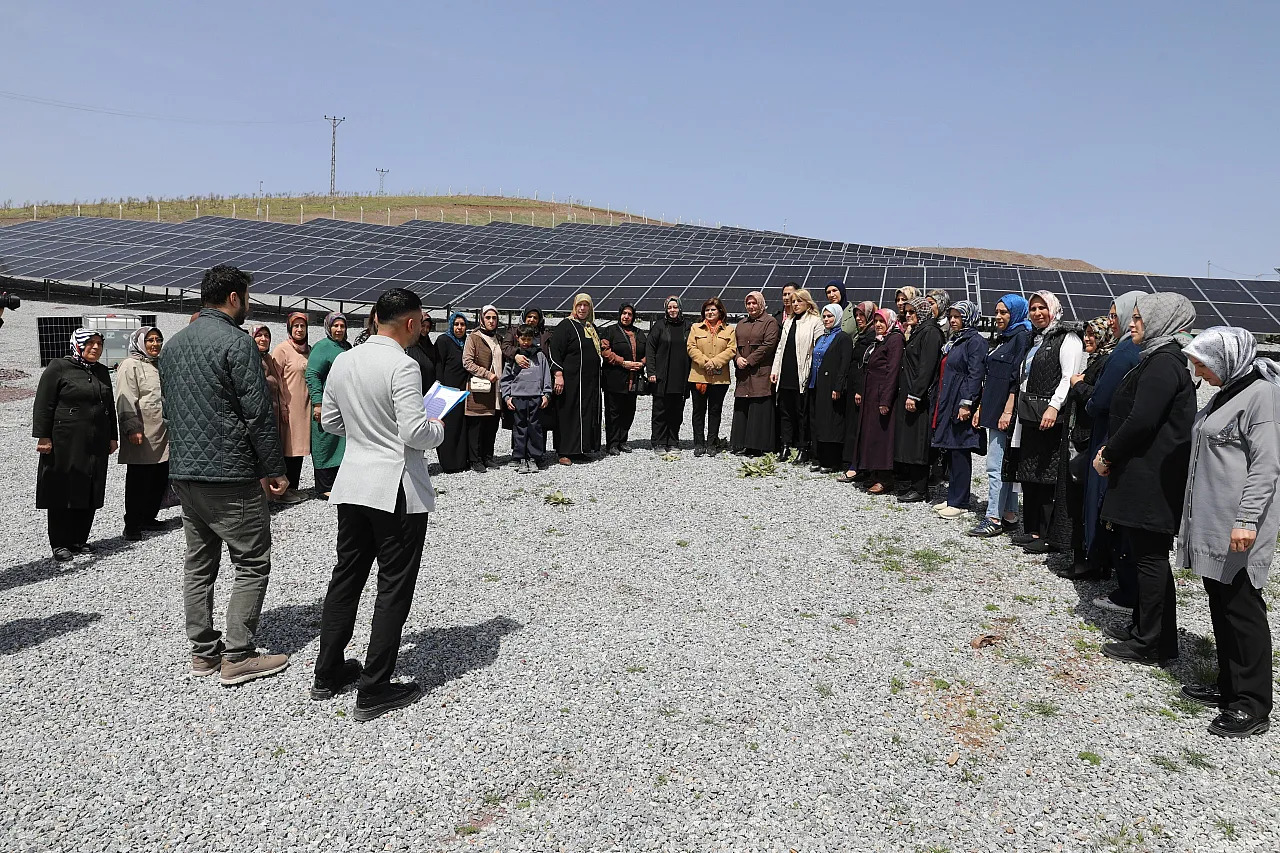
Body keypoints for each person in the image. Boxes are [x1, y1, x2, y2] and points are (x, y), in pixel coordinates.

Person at [316, 288, 446, 722]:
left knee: (346, 576)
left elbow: (331, 420)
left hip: (352, 483)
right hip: (395, 486)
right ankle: (375, 687)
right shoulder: (403, 366)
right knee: (394, 584)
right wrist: (438, 428)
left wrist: (364, 431)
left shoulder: (344, 360)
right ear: (410, 323)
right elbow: (414, 432)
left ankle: (328, 670)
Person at [159, 265, 290, 685]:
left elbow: (170, 409)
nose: (248, 304)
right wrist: (274, 469)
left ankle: (203, 653)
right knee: (252, 561)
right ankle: (238, 655)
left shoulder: (174, 345)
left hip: (184, 473)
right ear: (235, 298)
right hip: (229, 473)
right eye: (247, 296)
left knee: (199, 564)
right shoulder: (237, 343)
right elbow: (258, 413)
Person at [1178, 327, 1279, 737]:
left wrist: (1247, 520)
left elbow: (1266, 465)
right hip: (1213, 521)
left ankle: (1253, 704)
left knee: (1242, 608)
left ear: (1225, 359)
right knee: (1220, 602)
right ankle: (1229, 686)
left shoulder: (1262, 396)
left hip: (1238, 525)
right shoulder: (1229, 391)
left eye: (1202, 364)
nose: (1198, 373)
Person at [1094, 292, 1196, 668]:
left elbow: (1141, 420)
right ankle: (1154, 634)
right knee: (1145, 556)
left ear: (1159, 321)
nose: (1132, 323)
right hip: (1145, 473)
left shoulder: (1163, 363)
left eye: (1139, 317)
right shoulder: (1155, 359)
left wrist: (1108, 454)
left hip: (1151, 477)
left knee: (1150, 559)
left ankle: (1149, 642)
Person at [1008, 292, 1084, 554]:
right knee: (1031, 472)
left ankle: (1050, 534)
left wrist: (1054, 406)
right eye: (1033, 308)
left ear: (1054, 309)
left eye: (1042, 308)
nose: (1037, 312)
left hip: (1052, 417)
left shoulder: (1068, 338)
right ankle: (1033, 529)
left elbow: (1068, 377)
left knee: (1049, 473)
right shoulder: (1035, 339)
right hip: (1030, 415)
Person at [33, 329, 118, 561]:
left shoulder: (101, 371)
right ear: (78, 345)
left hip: (96, 441)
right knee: (63, 486)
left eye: (99, 344)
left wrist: (113, 435)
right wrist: (43, 436)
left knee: (90, 486)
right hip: (65, 441)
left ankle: (79, 539)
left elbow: (108, 405)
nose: (95, 348)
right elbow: (44, 404)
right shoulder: (59, 367)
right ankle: (60, 542)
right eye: (90, 343)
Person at [1085, 292, 1145, 612]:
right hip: (1116, 432)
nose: (1111, 321)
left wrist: (1088, 397)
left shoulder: (1124, 350)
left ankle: (1105, 569)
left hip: (1109, 433)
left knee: (1103, 500)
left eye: (1114, 315)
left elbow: (1102, 397)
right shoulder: (1137, 348)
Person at [968, 295, 1031, 537]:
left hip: (1005, 413)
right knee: (1005, 464)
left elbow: (1017, 380)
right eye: (996, 312)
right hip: (993, 409)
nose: (998, 317)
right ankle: (1010, 514)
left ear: (1015, 313)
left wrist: (1007, 411)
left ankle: (992, 517)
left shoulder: (1021, 338)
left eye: (1004, 312)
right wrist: (982, 407)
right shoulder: (1003, 338)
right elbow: (991, 376)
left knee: (996, 466)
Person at [1058, 317, 1116, 578]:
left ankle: (1091, 561)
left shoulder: (1106, 363)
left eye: (1094, 334)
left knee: (1086, 499)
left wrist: (1077, 384)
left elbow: (1098, 399)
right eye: (1086, 334)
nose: (1088, 339)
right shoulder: (1097, 360)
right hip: (1082, 436)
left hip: (1089, 438)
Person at [931, 301, 987, 518]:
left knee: (961, 450)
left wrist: (967, 403)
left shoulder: (975, 341)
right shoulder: (955, 340)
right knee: (952, 450)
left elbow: (976, 374)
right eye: (951, 316)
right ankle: (954, 495)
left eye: (958, 317)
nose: (953, 320)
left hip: (960, 401)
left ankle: (960, 501)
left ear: (968, 318)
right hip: (949, 399)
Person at [116, 326, 170, 539]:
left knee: (158, 475)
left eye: (158, 339)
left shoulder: (158, 364)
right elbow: (125, 398)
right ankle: (132, 524)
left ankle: (149, 517)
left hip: (161, 430)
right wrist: (132, 428)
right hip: (142, 430)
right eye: (150, 340)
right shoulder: (131, 365)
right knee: (139, 477)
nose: (155, 344)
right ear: (139, 342)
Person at [892, 297, 945, 501]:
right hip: (910, 394)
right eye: (906, 312)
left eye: (912, 312)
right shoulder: (919, 331)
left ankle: (921, 488)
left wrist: (915, 394)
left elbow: (926, 367)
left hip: (920, 398)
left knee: (918, 442)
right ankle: (914, 484)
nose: (908, 315)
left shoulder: (930, 333)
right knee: (911, 440)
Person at [852, 309, 905, 493]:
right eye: (875, 321)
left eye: (881, 321)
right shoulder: (880, 339)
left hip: (882, 394)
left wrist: (886, 400)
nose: (878, 325)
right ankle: (874, 472)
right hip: (871, 393)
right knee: (871, 434)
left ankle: (885, 478)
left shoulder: (895, 339)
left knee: (883, 436)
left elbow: (893, 370)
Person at [551, 293, 604, 464]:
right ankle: (565, 451)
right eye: (579, 305)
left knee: (586, 413)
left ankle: (581, 448)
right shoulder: (565, 326)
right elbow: (555, 352)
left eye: (586, 305)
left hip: (589, 382)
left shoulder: (591, 327)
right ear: (574, 306)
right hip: (571, 381)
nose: (582, 308)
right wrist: (558, 375)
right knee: (569, 414)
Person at [770, 288, 822, 462]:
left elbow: (818, 349)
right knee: (785, 411)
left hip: (802, 373)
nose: (795, 304)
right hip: (786, 373)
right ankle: (785, 446)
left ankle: (803, 447)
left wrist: (811, 374)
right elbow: (780, 348)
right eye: (793, 302)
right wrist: (775, 369)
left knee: (802, 413)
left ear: (807, 303)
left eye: (799, 301)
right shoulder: (788, 321)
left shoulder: (815, 321)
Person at [307, 312, 351, 498]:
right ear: (328, 327)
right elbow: (312, 374)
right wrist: (318, 403)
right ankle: (324, 486)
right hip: (327, 402)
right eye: (335, 326)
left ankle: (339, 483)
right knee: (324, 441)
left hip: (344, 403)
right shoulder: (322, 347)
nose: (339, 329)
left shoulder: (346, 347)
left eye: (342, 326)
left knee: (341, 442)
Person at [686, 297, 737, 457]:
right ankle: (699, 443)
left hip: (720, 378)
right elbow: (691, 347)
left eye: (713, 309)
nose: (709, 312)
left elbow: (731, 349)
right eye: (707, 310)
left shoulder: (729, 330)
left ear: (720, 311)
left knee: (715, 411)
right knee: (698, 411)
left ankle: (711, 443)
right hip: (699, 376)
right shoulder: (696, 328)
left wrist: (714, 363)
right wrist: (704, 362)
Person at [730, 291, 779, 456]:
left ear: (761, 304)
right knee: (743, 407)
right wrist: (737, 358)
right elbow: (734, 345)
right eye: (748, 304)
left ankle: (756, 446)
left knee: (759, 408)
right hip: (743, 373)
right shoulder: (741, 323)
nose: (751, 306)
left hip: (760, 372)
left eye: (754, 303)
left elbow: (768, 345)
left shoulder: (770, 322)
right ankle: (741, 443)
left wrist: (749, 360)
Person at [807, 303, 853, 471]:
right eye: (824, 316)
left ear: (838, 317)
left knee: (832, 422)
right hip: (817, 385)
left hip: (832, 387)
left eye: (830, 316)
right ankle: (819, 457)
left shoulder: (843, 338)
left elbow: (844, 364)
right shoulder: (821, 338)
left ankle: (832, 461)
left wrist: (838, 386)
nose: (826, 319)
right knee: (819, 421)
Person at [502, 323, 554, 473]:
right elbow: (506, 379)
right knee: (520, 428)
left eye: (529, 339)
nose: (526, 342)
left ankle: (534, 457)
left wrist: (546, 394)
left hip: (535, 397)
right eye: (523, 338)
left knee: (535, 428)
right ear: (517, 338)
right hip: (518, 398)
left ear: (533, 339)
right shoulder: (514, 358)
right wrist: (507, 397)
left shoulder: (539, 356)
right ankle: (520, 457)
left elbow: (546, 376)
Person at [271, 312, 311, 497]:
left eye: (302, 326)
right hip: (289, 406)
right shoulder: (282, 350)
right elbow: (275, 380)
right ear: (289, 328)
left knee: (299, 448)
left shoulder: (309, 350)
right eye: (296, 326)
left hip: (304, 407)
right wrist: (283, 405)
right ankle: (283, 490)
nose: (299, 329)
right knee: (288, 447)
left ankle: (293, 488)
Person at [839, 301, 879, 483]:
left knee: (859, 428)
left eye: (862, 315)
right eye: (856, 315)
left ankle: (858, 467)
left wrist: (860, 390)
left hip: (861, 389)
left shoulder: (872, 337)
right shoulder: (862, 335)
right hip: (854, 387)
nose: (858, 318)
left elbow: (869, 366)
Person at [646, 295, 692, 454]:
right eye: (669, 308)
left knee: (676, 412)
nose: (672, 310)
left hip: (681, 376)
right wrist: (651, 371)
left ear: (680, 308)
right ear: (666, 309)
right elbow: (650, 350)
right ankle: (658, 442)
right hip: (662, 376)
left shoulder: (688, 326)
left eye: (675, 307)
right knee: (660, 411)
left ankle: (673, 441)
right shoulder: (659, 326)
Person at [600, 303, 647, 455]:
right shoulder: (610, 331)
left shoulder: (639, 333)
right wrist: (623, 362)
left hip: (633, 380)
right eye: (624, 313)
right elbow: (605, 352)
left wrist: (642, 363)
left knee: (629, 411)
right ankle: (612, 443)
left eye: (630, 314)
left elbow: (649, 352)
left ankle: (622, 440)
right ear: (620, 314)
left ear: (633, 317)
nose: (626, 317)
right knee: (613, 412)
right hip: (614, 379)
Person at [463, 305, 504, 473]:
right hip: (481, 388)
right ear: (481, 319)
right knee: (477, 425)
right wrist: (487, 374)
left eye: (494, 318)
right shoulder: (474, 338)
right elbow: (467, 362)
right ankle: (475, 459)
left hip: (497, 388)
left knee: (491, 424)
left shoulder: (499, 339)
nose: (491, 321)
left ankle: (488, 456)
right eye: (488, 318)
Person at [433, 313, 472, 473]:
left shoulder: (467, 342)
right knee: (448, 427)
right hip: (448, 390)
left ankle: (462, 461)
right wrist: (440, 386)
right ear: (451, 325)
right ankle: (449, 463)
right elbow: (439, 364)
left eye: (462, 324)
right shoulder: (444, 341)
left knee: (462, 427)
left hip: (463, 391)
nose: (459, 328)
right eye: (456, 324)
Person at [405, 310, 439, 391]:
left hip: (429, 388)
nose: (425, 329)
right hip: (415, 388)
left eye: (428, 327)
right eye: (423, 326)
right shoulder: (410, 345)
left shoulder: (430, 346)